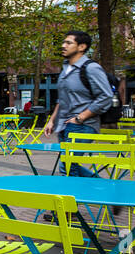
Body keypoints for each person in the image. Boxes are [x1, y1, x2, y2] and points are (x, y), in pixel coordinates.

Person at [43, 30, 114, 178]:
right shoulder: (65, 70)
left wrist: (80, 118)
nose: (63, 46)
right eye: (63, 42)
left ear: (82, 47)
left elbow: (106, 96)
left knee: (68, 166)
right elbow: (61, 99)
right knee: (69, 164)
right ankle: (106, 188)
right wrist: (51, 120)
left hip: (83, 125)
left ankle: (73, 199)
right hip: (63, 124)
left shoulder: (91, 68)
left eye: (68, 43)